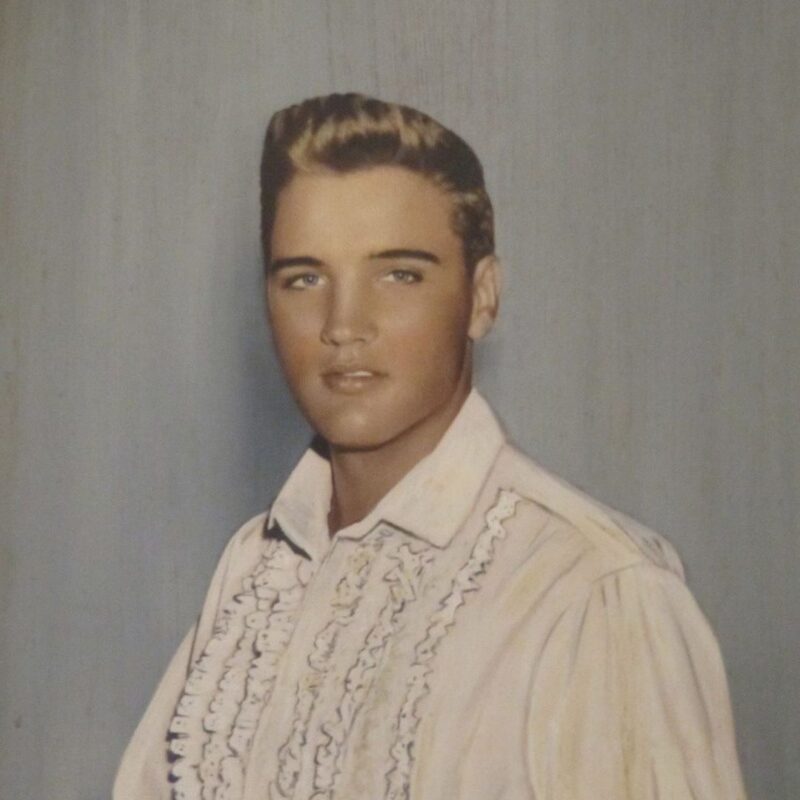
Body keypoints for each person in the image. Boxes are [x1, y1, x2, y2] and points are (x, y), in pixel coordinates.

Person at [114, 93, 747, 799]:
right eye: (305, 278)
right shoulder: (253, 570)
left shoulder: (596, 591)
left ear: (482, 297)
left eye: (399, 274)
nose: (343, 324)